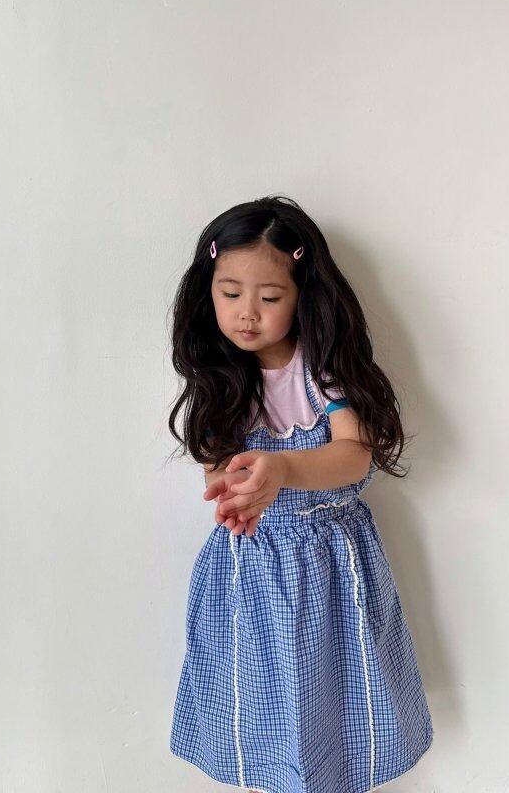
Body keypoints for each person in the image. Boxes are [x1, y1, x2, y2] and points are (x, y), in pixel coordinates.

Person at [168, 195, 434, 793]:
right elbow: (217, 466)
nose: (247, 314)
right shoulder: (218, 379)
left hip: (329, 563)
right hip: (250, 568)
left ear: (302, 293)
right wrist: (232, 490)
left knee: (332, 695)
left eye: (269, 298)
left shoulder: (323, 370)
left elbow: (354, 453)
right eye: (230, 293)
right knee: (260, 700)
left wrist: (283, 469)